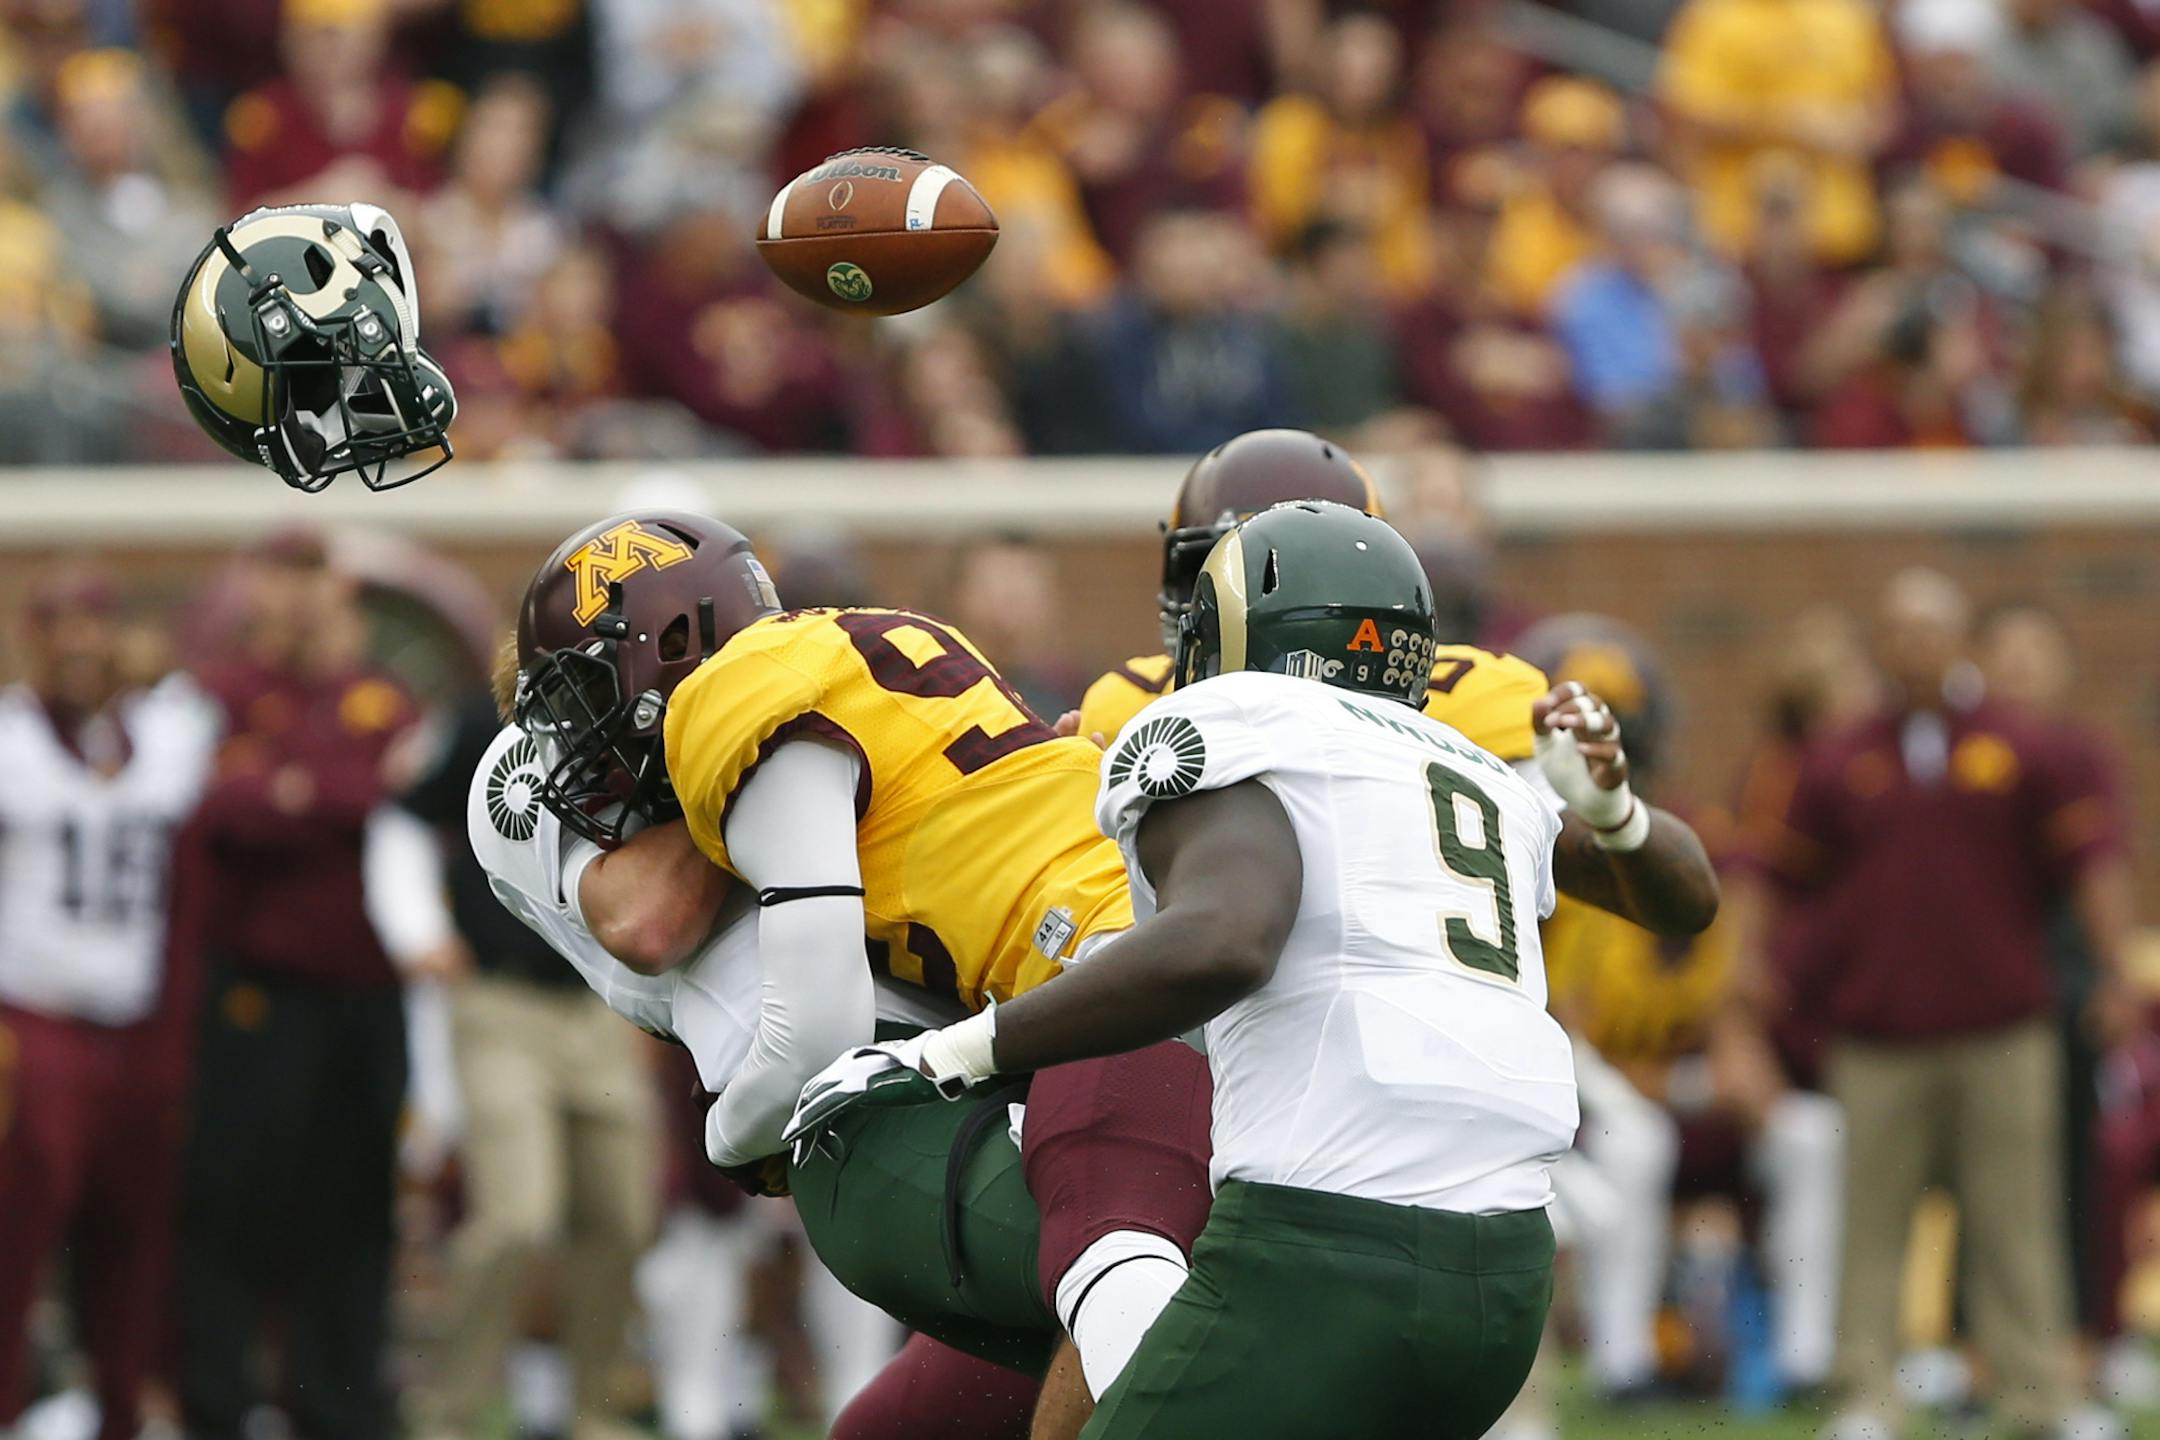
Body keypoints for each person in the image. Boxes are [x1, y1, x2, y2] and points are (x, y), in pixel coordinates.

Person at [813, 500, 1601, 1436]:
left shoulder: (1226, 719)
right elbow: (1670, 887)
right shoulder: (1486, 775)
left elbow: (1227, 938)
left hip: (1328, 1243)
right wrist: (1622, 812)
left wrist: (958, 1050)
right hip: (1509, 1277)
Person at [507, 510, 1207, 1434]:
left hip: (1119, 989)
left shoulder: (738, 696)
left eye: (589, 690)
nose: (582, 735)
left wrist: (730, 1134)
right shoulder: (867, 645)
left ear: (673, 642)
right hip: (1117, 975)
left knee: (1120, 1299)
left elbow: (814, 1035)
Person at [1071, 428, 1719, 945]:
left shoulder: (1470, 696)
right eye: (1205, 569)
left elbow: (1675, 901)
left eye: (1266, 575)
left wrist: (1614, 818)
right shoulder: (1132, 702)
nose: (1227, 601)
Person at [1757, 568, 2134, 1440]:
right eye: (1899, 630)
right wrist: (1750, 969)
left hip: (2003, 1029)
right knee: (1873, 1222)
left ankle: (2041, 1395)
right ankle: (1866, 1396)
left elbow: (2092, 865)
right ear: (1881, 645)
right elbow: (1779, 872)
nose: (1916, 646)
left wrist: (2117, 972)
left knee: (2017, 1221)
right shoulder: (1842, 755)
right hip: (1877, 1033)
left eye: (1932, 630)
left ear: (1959, 640)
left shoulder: (2025, 746)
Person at [176, 530, 420, 1440]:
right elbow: (218, 809)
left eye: (307, 575)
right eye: (277, 575)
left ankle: (342, 1410)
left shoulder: (378, 697)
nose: (291, 596)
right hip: (258, 995)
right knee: (237, 1199)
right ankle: (219, 1405)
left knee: (354, 1206)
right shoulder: (225, 695)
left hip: (364, 996)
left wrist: (292, 793)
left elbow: (384, 798)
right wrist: (316, 798)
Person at [368, 686, 660, 1440]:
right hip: (500, 1002)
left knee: (621, 1215)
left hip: (599, 1006)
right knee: (517, 1217)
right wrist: (417, 929)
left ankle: (591, 1410)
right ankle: (449, 1413)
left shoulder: (647, 724)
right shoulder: (479, 722)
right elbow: (402, 815)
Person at [0, 569, 218, 1440]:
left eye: (93, 623)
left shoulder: (168, 735)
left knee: (135, 1244)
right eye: (59, 625)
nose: (79, 645)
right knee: (17, 1238)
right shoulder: (12, 737)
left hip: (136, 1027)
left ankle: (119, 1415)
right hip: (32, 1022)